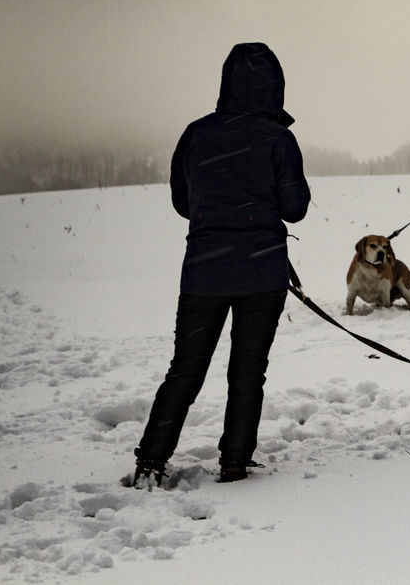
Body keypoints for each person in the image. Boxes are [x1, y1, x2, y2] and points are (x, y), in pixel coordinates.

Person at [132, 43, 311, 487]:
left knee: (185, 369)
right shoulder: (277, 138)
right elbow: (296, 208)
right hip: (261, 273)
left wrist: (218, 214)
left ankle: (151, 460)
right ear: (275, 88)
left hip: (204, 273)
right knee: (248, 370)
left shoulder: (196, 134)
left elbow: (181, 201)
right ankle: (234, 462)